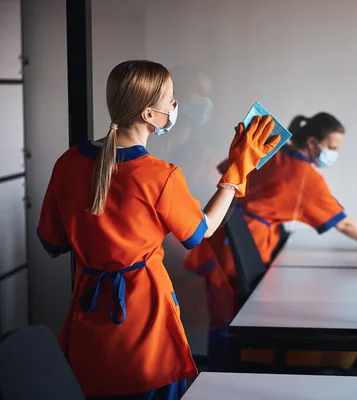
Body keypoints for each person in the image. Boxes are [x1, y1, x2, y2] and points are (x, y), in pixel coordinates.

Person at [36, 60, 279, 399]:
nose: (175, 106)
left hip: (87, 328)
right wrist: (238, 172)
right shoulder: (160, 175)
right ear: (149, 114)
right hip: (146, 329)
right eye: (171, 98)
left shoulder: (68, 162)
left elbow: (50, 243)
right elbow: (201, 232)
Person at [184, 112, 357, 371]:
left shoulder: (275, 152)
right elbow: (346, 225)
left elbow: (228, 169)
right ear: (312, 143)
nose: (334, 154)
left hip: (224, 235)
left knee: (221, 317)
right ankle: (223, 379)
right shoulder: (305, 178)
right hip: (246, 245)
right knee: (228, 320)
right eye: (332, 148)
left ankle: (220, 376)